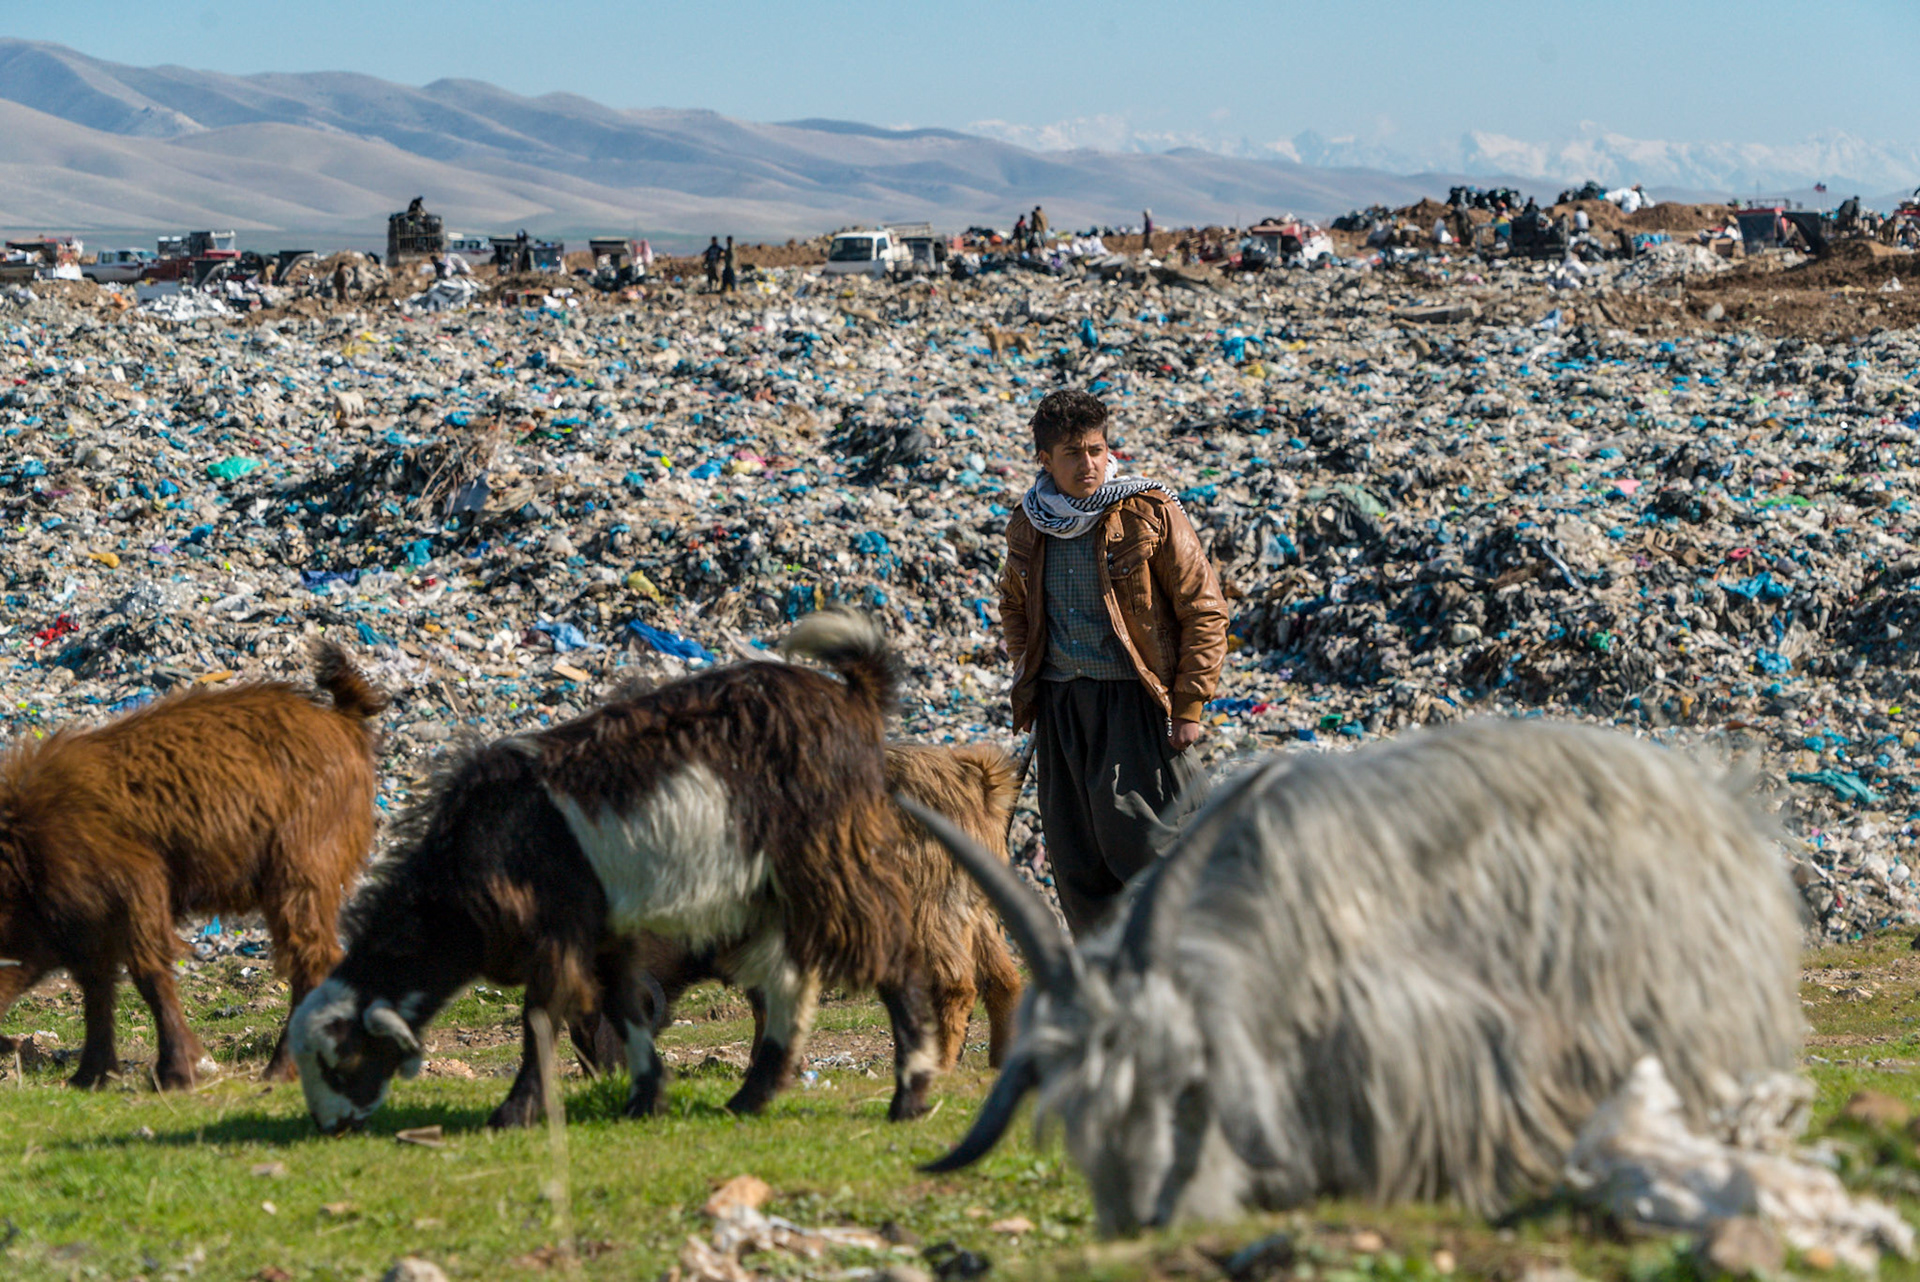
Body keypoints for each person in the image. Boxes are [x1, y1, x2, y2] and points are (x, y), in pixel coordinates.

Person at [1000, 389, 1229, 936]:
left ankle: (1189, 985)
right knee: (1079, 862)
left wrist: (1190, 704)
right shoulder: (1030, 523)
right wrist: (1028, 678)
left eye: (1097, 450)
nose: (1089, 464)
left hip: (1133, 704)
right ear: (1045, 461)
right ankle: (1110, 998)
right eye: (1073, 454)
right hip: (1061, 710)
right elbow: (1013, 605)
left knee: (1152, 850)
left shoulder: (1147, 510)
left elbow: (1205, 608)